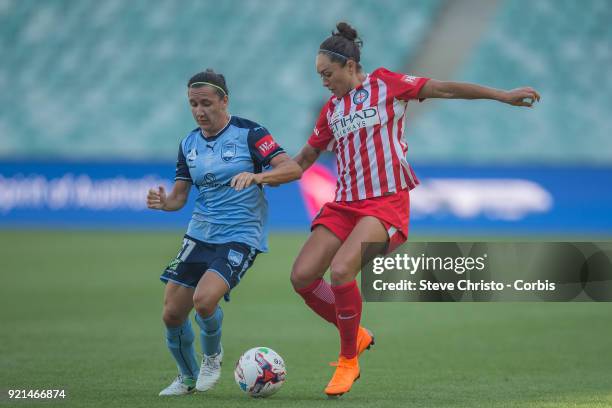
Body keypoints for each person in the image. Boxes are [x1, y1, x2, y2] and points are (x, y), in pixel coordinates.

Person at [290, 22, 540, 397]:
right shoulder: (331, 111)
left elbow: (445, 88)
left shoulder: (387, 84)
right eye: (320, 76)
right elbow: (305, 158)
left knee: (342, 270)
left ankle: (347, 361)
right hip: (344, 204)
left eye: (327, 74)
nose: (324, 81)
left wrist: (501, 95)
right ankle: (355, 335)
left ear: (349, 66)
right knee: (302, 277)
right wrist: (261, 176)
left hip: (385, 203)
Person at [147, 68, 302, 396]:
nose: (200, 111)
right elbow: (179, 196)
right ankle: (186, 378)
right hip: (200, 233)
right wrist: (164, 203)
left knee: (204, 301)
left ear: (224, 100)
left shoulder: (250, 133)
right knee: (172, 312)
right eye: (193, 104)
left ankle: (212, 358)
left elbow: (292, 168)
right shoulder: (188, 143)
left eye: (206, 103)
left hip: (241, 234)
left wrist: (258, 177)